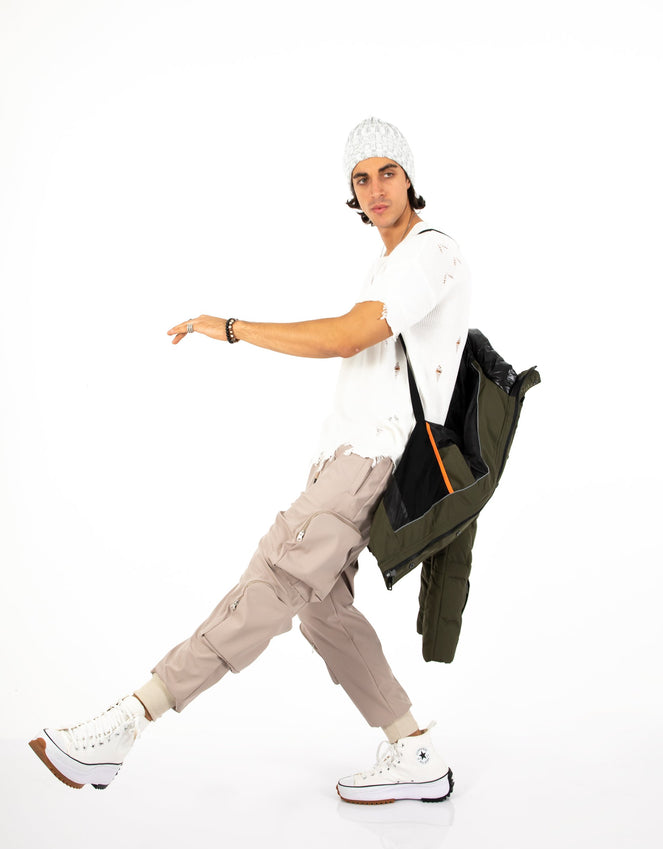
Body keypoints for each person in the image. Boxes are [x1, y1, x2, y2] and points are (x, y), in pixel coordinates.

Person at [29, 117, 471, 804]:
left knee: (271, 580)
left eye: (388, 172)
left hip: (368, 460)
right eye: (361, 178)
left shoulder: (430, 253)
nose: (375, 188)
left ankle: (130, 721)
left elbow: (347, 337)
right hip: (348, 459)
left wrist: (234, 329)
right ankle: (413, 749)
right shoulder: (388, 263)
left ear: (410, 177)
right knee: (323, 611)